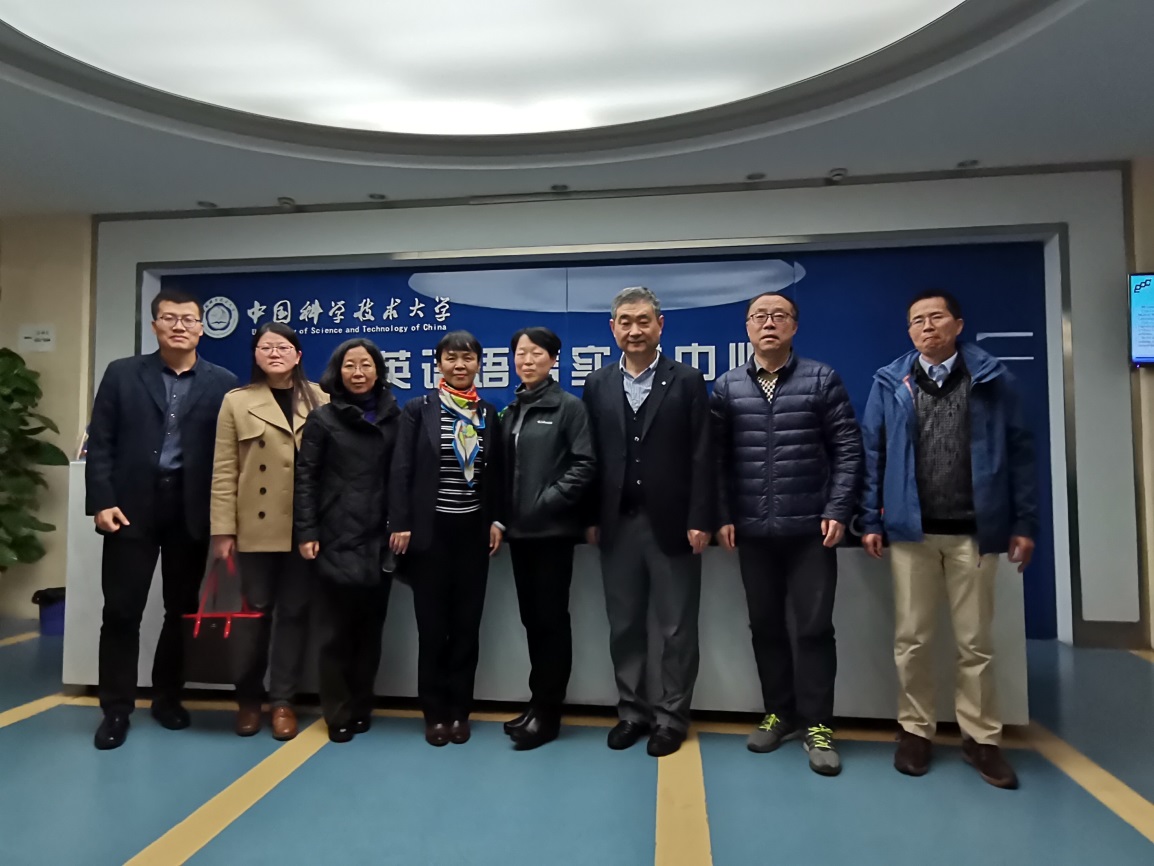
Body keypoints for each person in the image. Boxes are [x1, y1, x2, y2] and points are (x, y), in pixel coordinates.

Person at [861, 290, 1037, 790]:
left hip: (974, 533)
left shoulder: (992, 380)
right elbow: (872, 452)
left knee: (975, 642)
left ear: (958, 325)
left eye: (936, 317)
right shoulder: (890, 382)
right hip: (911, 532)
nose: (926, 326)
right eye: (917, 320)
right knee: (912, 640)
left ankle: (981, 738)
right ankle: (916, 730)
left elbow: (1021, 454)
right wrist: (869, 519)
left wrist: (1025, 523)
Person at [712, 292, 862, 777]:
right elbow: (715, 459)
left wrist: (838, 507)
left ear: (794, 326)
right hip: (753, 532)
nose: (769, 323)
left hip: (810, 531)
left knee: (814, 629)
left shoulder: (821, 379)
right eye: (759, 316)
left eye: (779, 316)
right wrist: (723, 513)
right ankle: (779, 712)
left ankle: (817, 723)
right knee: (766, 627)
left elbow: (848, 448)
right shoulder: (728, 386)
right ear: (747, 328)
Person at [86, 287, 238, 750]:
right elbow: (102, 441)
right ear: (154, 325)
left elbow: (228, 456)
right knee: (121, 611)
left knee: (181, 610)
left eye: (188, 319)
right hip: (130, 508)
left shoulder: (222, 382)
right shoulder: (122, 373)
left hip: (189, 510)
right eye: (169, 318)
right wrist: (102, 501)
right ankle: (116, 709)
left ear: (201, 328)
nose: (179, 326)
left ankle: (168, 698)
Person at [582, 286, 714, 758]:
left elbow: (703, 454)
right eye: (625, 321)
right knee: (624, 625)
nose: (634, 330)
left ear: (660, 325)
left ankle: (672, 717)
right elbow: (589, 457)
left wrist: (701, 517)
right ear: (612, 328)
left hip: (674, 525)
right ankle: (632, 712)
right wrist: (590, 517)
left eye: (643, 321)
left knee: (677, 628)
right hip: (617, 524)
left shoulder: (687, 380)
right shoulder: (597, 384)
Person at [389, 331, 504, 747]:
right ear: (438, 364)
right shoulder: (418, 410)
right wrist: (401, 522)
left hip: (473, 535)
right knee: (433, 628)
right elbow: (401, 468)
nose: (460, 365)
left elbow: (498, 474)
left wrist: (497, 521)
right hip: (430, 535)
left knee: (467, 628)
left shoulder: (487, 413)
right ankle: (435, 713)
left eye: (468, 358)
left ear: (479, 364)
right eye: (451, 358)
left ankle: (460, 712)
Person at [210, 323, 324, 740]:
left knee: (294, 614)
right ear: (255, 355)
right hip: (254, 527)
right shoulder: (236, 402)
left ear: (298, 354)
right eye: (266, 347)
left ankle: (283, 702)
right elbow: (224, 470)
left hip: (304, 528)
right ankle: (248, 699)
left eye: (283, 346)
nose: (275, 353)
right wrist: (223, 530)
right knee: (252, 616)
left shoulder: (321, 399)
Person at [294, 339, 401, 743]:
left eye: (366, 364)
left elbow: (403, 477)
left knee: (370, 632)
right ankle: (337, 711)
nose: (359, 372)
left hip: (380, 541)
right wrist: (307, 531)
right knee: (335, 634)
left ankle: (361, 705)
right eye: (350, 365)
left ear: (378, 370)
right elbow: (306, 478)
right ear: (337, 372)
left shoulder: (395, 417)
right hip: (334, 537)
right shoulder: (323, 419)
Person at [500, 327, 597, 750]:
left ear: (554, 359)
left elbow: (584, 463)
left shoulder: (569, 407)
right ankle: (536, 704)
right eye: (520, 353)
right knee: (532, 621)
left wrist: (545, 502)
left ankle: (549, 713)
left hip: (552, 531)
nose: (527, 360)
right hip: (519, 534)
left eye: (536, 353)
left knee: (552, 622)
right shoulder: (512, 409)